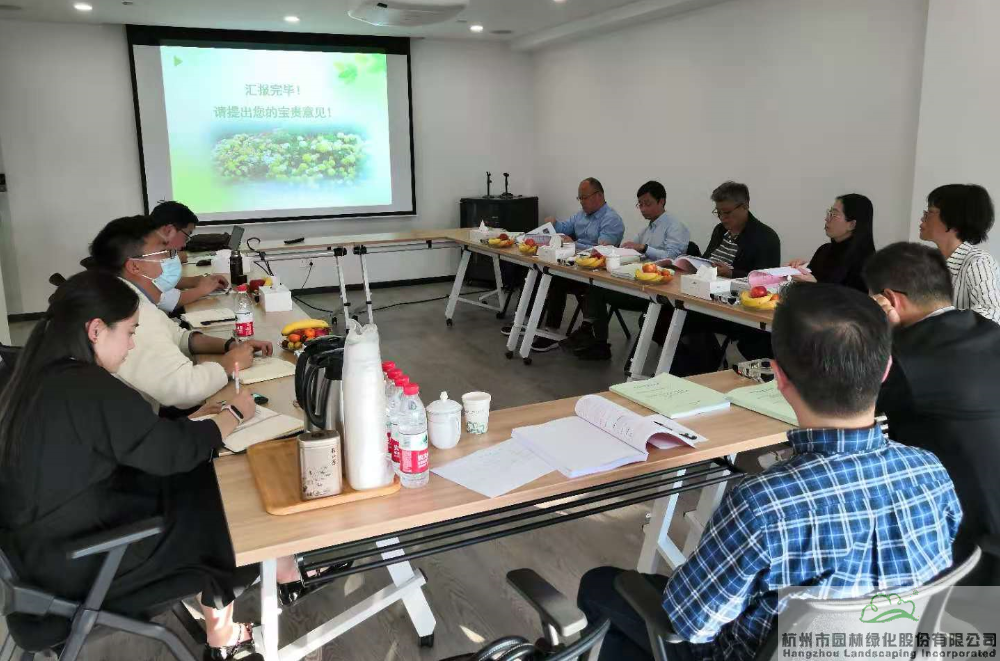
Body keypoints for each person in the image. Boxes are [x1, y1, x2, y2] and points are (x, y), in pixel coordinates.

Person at [577, 282, 962, 661]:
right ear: (885, 369)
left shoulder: (763, 505)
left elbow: (690, 623)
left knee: (604, 586)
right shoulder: (932, 472)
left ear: (779, 378)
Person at [0, 270, 267, 660]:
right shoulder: (87, 387)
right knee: (230, 508)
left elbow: (135, 441)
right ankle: (231, 625)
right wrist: (233, 414)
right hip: (81, 563)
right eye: (129, 332)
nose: (131, 344)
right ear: (95, 330)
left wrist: (197, 426)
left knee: (201, 480)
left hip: (42, 551)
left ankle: (225, 621)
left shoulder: (35, 374)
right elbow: (170, 453)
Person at [865, 241, 1000, 585]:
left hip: (968, 551)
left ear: (890, 300)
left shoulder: (904, 358)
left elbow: (840, 404)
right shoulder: (991, 331)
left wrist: (875, 331)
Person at [89, 216, 272, 412]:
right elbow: (184, 390)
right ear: (135, 266)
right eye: (163, 252)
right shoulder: (130, 313)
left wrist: (230, 345)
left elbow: (179, 336)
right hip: (140, 421)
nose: (171, 259)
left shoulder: (123, 295)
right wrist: (229, 364)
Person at [562, 181, 689, 360]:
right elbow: (630, 248)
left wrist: (644, 248)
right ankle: (596, 340)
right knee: (595, 285)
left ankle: (595, 338)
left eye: (647, 204)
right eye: (640, 205)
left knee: (597, 289)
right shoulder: (647, 229)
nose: (643, 209)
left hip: (659, 288)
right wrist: (616, 251)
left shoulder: (675, 226)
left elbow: (673, 257)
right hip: (639, 281)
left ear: (661, 201)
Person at [507, 177, 625, 352]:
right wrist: (554, 224)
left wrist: (573, 244)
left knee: (554, 278)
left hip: (594, 276)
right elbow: (564, 228)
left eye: (584, 197)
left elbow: (602, 251)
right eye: (579, 198)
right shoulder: (581, 215)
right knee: (536, 271)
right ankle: (524, 320)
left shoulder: (611, 220)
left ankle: (551, 331)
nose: (582, 202)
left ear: (599, 196)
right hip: (574, 267)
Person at [918, 183, 1000, 324]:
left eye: (930, 212)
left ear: (952, 219)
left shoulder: (977, 263)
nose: (922, 218)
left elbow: (993, 313)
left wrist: (939, 320)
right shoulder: (928, 262)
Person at [684, 181, 780, 279]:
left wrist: (731, 274)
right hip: (704, 282)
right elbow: (707, 258)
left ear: (745, 206)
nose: (722, 217)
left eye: (727, 212)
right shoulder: (720, 230)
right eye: (718, 212)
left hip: (735, 288)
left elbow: (766, 278)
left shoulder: (766, 238)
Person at [149, 201, 229, 313]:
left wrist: (198, 280)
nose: (184, 245)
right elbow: (165, 300)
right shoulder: (145, 258)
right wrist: (201, 290)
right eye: (186, 236)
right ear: (168, 230)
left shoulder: (159, 250)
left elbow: (164, 282)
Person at [787, 193, 875, 291]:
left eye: (834, 215)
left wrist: (815, 285)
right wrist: (800, 269)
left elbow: (854, 298)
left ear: (852, 225)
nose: (827, 218)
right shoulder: (823, 250)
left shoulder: (866, 263)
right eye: (829, 213)